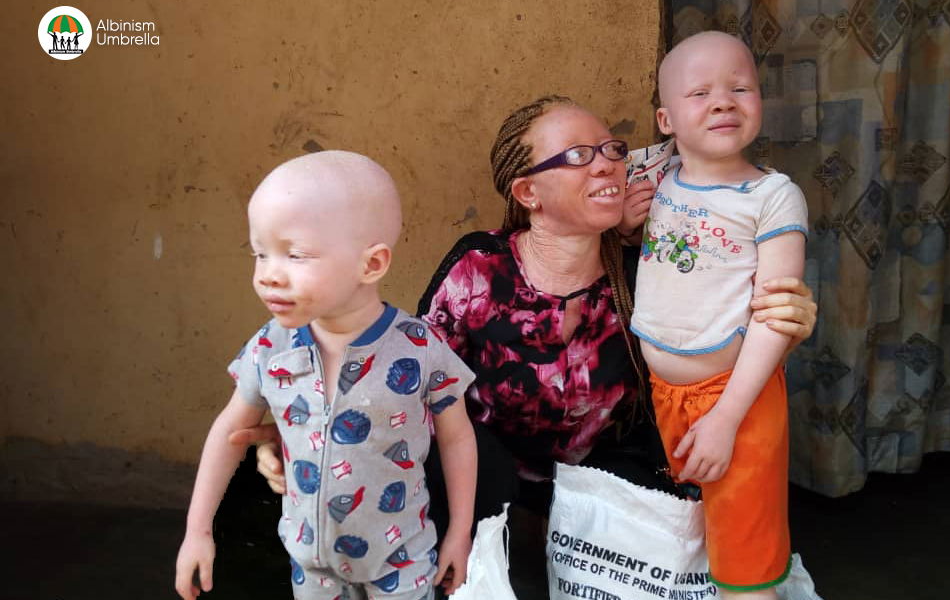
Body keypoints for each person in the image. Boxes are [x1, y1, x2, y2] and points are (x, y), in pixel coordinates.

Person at [240, 95, 817, 548]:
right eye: (577, 155)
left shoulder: (648, 273)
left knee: (664, 486)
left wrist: (785, 324)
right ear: (529, 192)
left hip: (592, 491)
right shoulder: (479, 270)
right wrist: (311, 441)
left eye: (611, 149)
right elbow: (403, 376)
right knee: (466, 456)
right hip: (483, 488)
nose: (609, 164)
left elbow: (711, 356)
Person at [174, 151, 477, 600]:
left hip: (401, 557)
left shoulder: (418, 347)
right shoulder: (270, 345)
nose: (268, 276)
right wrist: (197, 531)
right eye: (260, 254)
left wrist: (459, 533)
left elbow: (456, 438)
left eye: (294, 255)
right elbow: (229, 430)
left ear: (371, 265)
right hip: (310, 561)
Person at [619, 32, 807, 598]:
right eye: (700, 92)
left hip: (738, 401)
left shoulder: (772, 196)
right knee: (697, 535)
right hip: (663, 395)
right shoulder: (659, 178)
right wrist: (631, 226)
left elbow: (777, 313)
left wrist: (726, 418)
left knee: (744, 564)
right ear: (666, 119)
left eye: (740, 87)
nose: (723, 101)